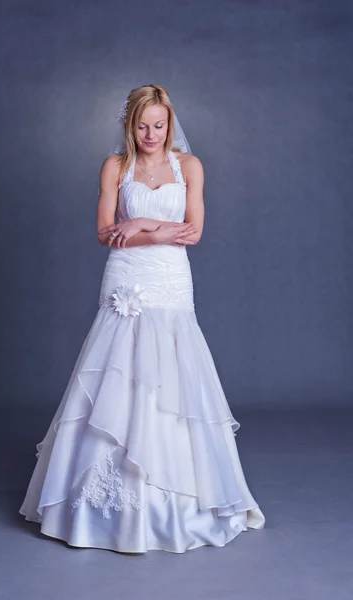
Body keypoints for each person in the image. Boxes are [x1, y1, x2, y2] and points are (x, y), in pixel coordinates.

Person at [19, 83, 265, 553]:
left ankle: (173, 496)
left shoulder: (188, 166)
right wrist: (150, 232)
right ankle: (99, 504)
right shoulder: (115, 166)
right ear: (128, 125)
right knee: (119, 369)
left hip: (171, 280)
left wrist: (141, 224)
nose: (151, 133)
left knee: (171, 373)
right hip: (127, 278)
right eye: (142, 125)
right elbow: (103, 233)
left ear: (170, 123)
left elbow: (192, 233)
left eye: (159, 125)